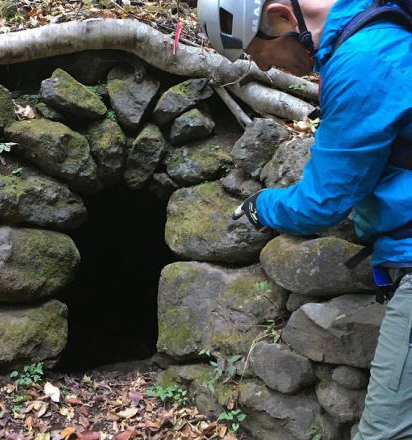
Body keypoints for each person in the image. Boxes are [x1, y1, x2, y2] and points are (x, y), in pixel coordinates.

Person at [198, 0, 412, 439]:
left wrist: (262, 206)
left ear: (281, 17)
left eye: (255, 53)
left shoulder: (364, 59)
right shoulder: (381, 32)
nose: (262, 65)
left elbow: (322, 202)